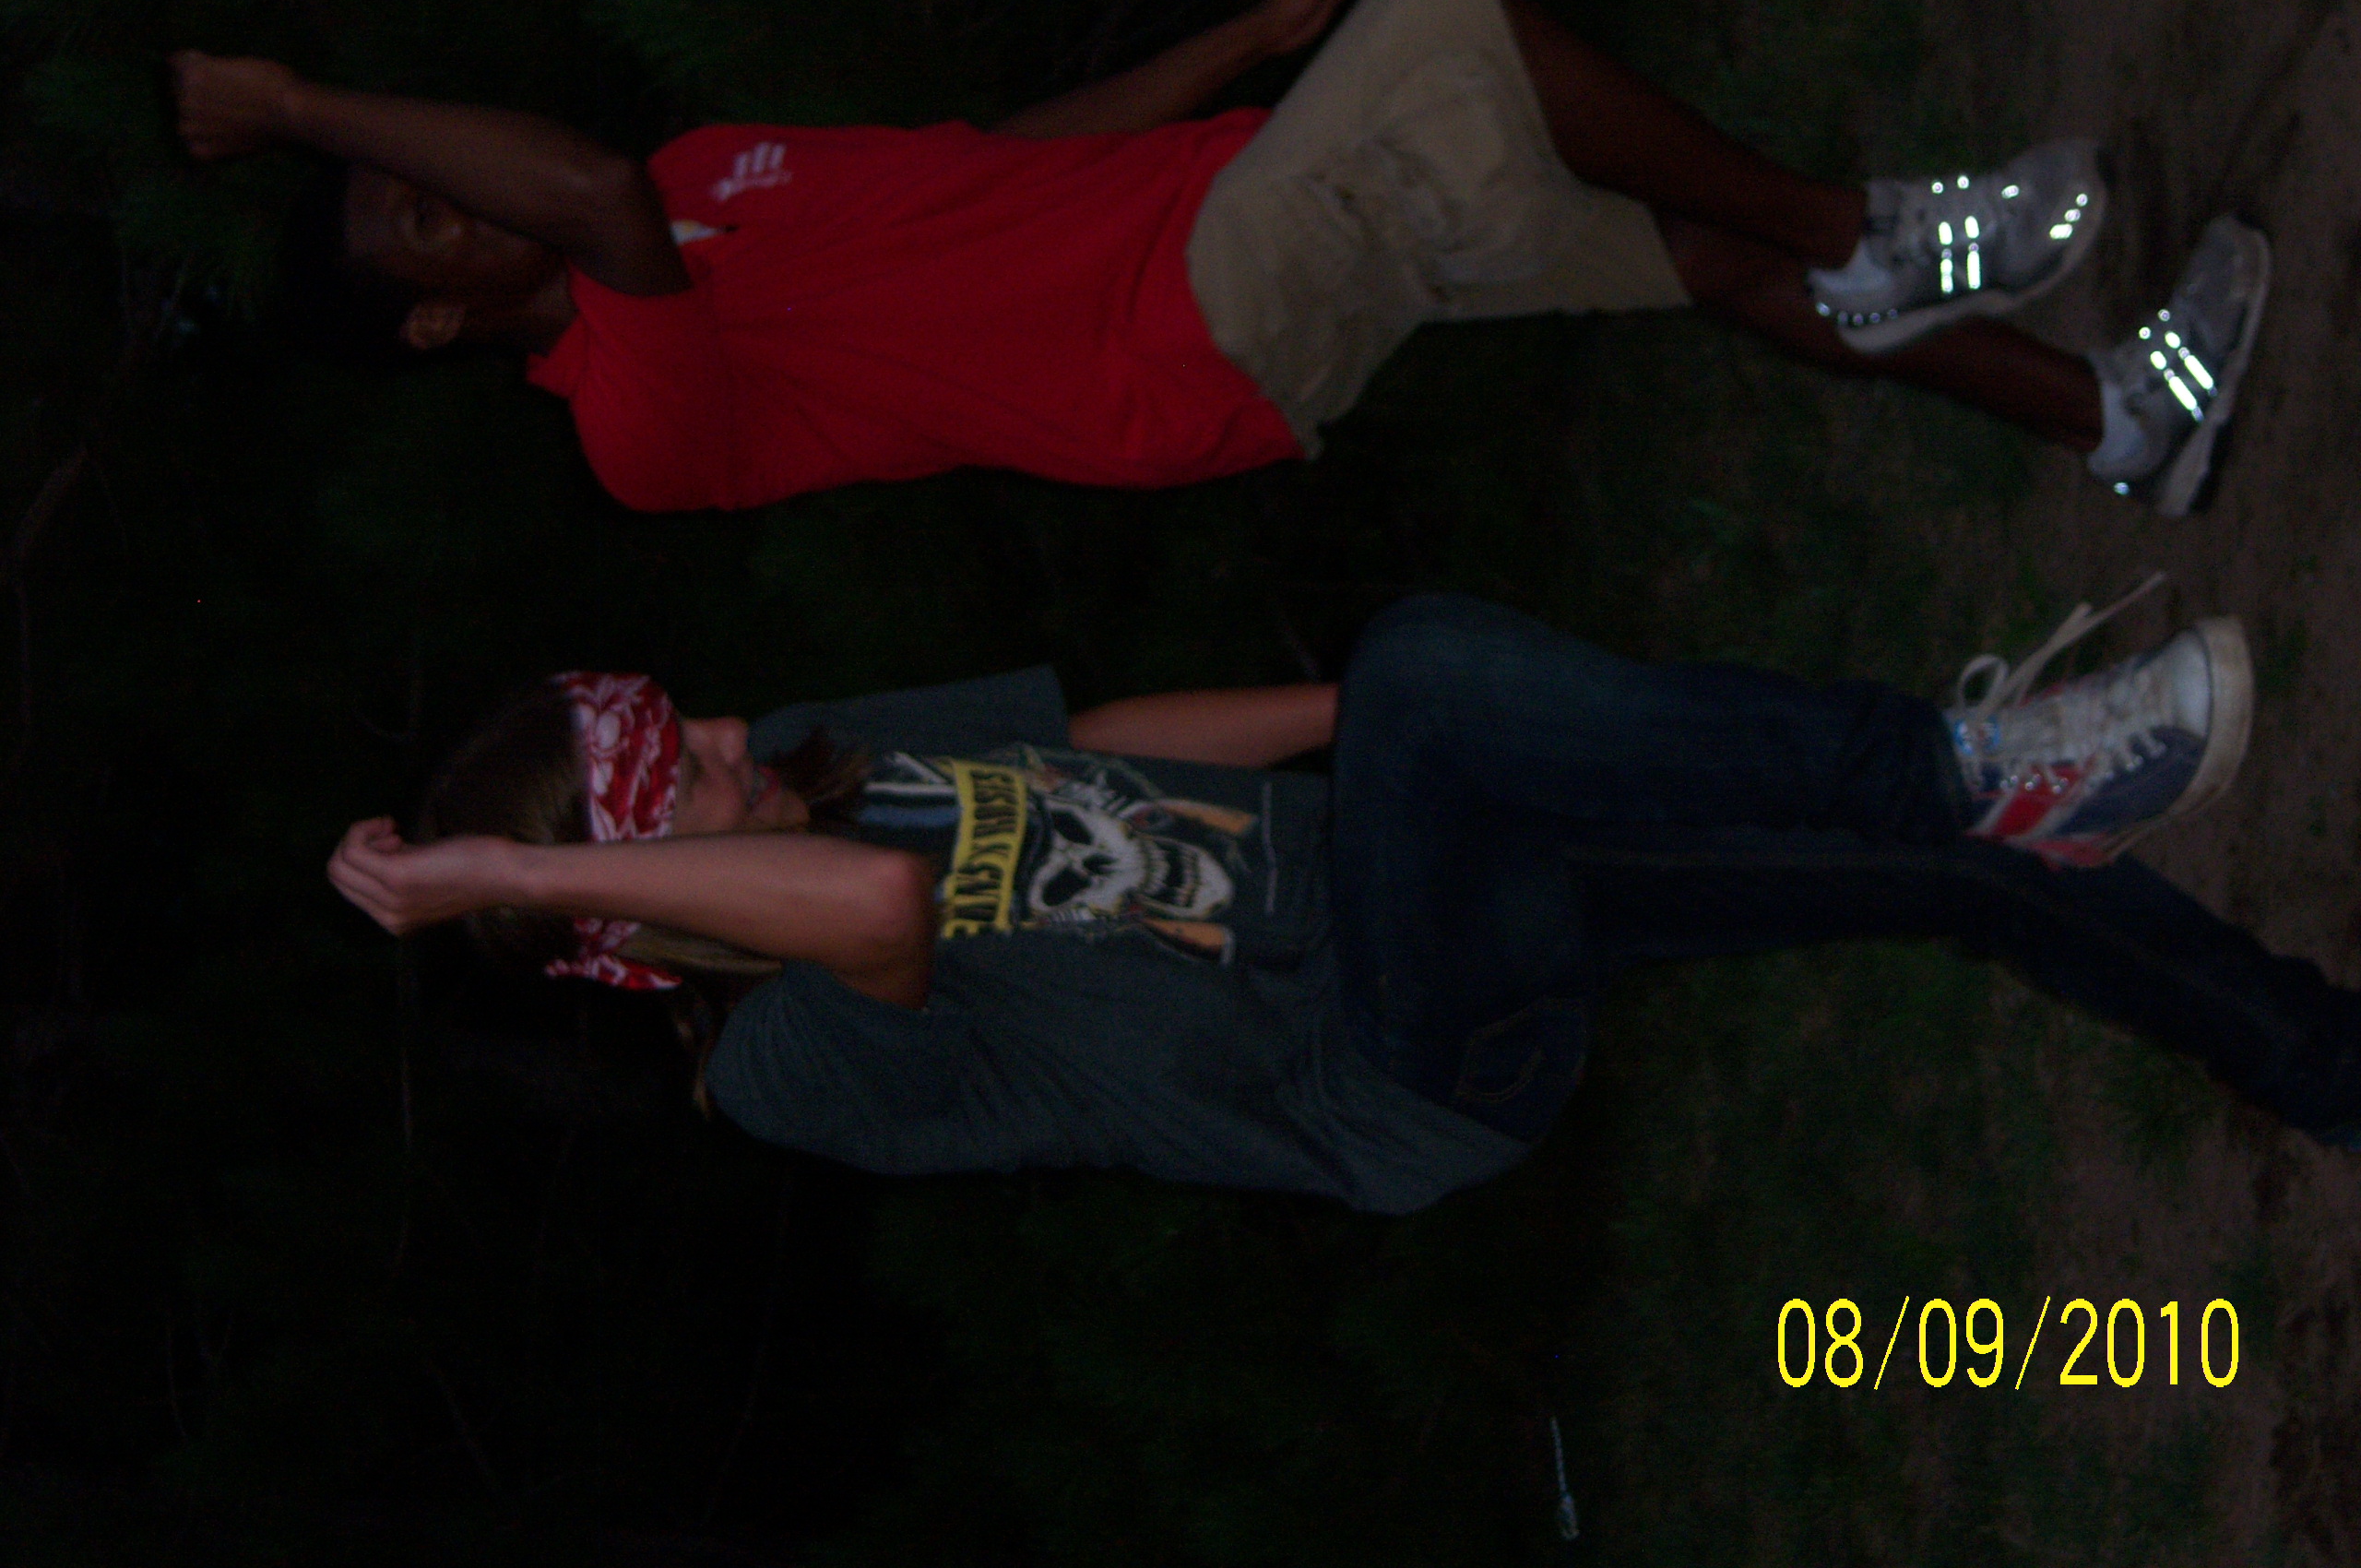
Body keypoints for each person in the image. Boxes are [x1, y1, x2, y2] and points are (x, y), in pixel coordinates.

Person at [328, 589, 2358, 1213]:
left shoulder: (832, 751)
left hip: (1423, 884)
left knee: (1934, 882)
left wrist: (1369, 732)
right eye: (673, 771)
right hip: (1381, 1065)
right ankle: (1960, 757)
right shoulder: (779, 1062)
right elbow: (873, 909)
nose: (725, 732)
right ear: (623, 903)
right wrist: (515, 871)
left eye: (679, 718)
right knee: (1432, 668)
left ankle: (2317, 1059)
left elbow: (1093, 737)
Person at [175, 0, 2264, 521]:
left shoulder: (717, 167)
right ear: (438, 320)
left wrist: (1248, 38)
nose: (458, 198)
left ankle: (2114, 424)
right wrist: (292, 108)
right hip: (1178, 341)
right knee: (1449, 26)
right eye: (419, 221)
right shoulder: (637, 418)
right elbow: (580, 191)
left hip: (1203, 212)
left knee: (1693, 258)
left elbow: (997, 151)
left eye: (426, 176)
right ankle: (1878, 228)